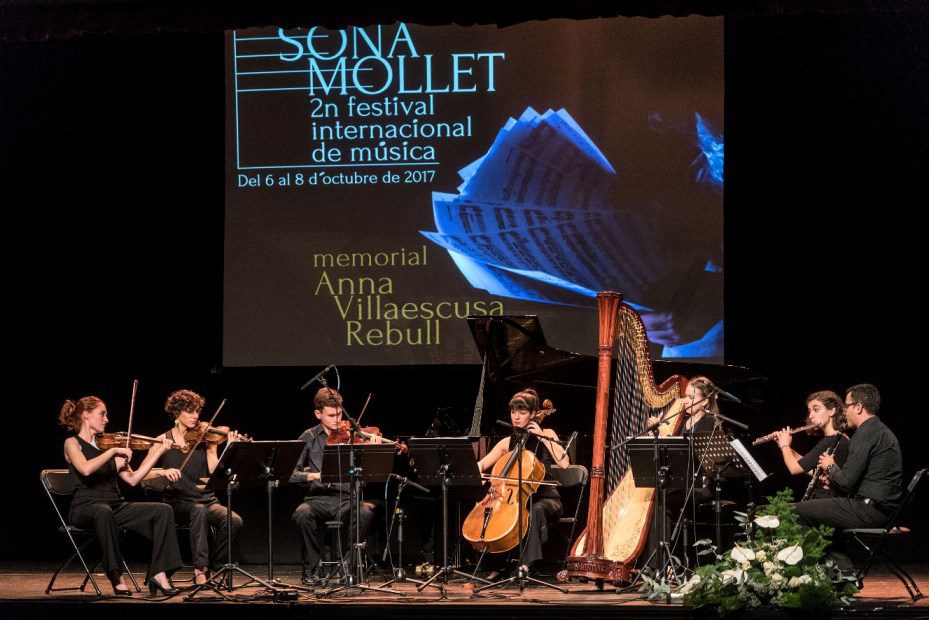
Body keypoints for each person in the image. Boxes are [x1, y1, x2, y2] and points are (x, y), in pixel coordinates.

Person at [60, 396, 182, 596]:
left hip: (114, 505)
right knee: (103, 511)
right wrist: (113, 452)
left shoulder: (107, 446)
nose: (106, 419)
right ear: (86, 415)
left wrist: (158, 452)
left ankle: (159, 573)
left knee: (163, 510)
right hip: (84, 507)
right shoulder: (72, 443)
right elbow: (85, 469)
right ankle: (116, 575)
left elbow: (133, 479)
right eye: (102, 414)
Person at [796, 384, 903, 573]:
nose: (844, 411)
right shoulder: (877, 429)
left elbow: (846, 482)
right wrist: (831, 480)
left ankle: (835, 573)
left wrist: (830, 465)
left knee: (798, 512)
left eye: (847, 406)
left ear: (859, 407)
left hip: (868, 511)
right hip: (876, 509)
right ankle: (842, 573)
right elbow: (857, 480)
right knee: (818, 513)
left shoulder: (866, 432)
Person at [148, 390, 246, 585]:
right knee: (198, 511)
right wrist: (162, 472)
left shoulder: (206, 438)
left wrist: (229, 448)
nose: (195, 416)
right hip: (178, 503)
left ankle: (215, 565)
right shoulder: (163, 440)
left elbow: (214, 470)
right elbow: (144, 475)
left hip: (206, 500)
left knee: (234, 520)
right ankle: (200, 570)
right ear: (177, 413)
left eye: (197, 411)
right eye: (190, 411)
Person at [477, 389, 569, 571]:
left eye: (522, 412)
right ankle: (497, 565)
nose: (516, 417)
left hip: (547, 499)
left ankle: (525, 565)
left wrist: (542, 437)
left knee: (535, 510)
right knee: (495, 513)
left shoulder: (547, 434)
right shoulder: (508, 442)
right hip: (516, 500)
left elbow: (564, 462)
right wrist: (476, 472)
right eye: (513, 412)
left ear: (533, 414)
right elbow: (481, 464)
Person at [290, 387, 375, 586]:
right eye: (331, 415)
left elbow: (368, 474)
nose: (337, 420)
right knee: (301, 514)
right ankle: (315, 566)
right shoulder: (308, 437)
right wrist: (314, 475)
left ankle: (348, 566)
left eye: (339, 415)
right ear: (318, 414)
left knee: (364, 513)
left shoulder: (351, 435)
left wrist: (371, 449)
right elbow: (291, 473)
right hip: (318, 499)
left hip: (346, 498)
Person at [773, 390, 849, 500]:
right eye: (810, 411)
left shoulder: (831, 440)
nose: (811, 415)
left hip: (828, 500)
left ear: (831, 411)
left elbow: (794, 469)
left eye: (816, 410)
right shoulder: (837, 437)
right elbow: (807, 467)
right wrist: (784, 446)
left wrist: (785, 446)